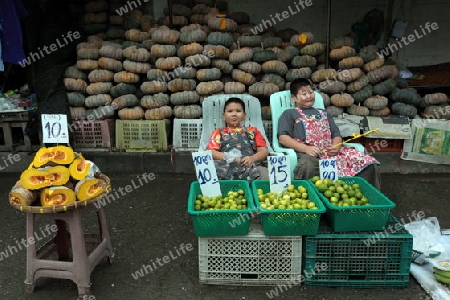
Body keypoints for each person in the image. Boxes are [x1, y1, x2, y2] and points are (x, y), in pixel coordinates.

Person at [277, 78, 381, 189]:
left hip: (332, 153)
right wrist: (305, 149)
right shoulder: (289, 114)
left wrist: (336, 146)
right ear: (294, 98)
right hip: (310, 155)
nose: (309, 96)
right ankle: (314, 199)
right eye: (304, 94)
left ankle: (368, 198)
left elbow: (336, 134)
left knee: (368, 163)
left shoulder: (323, 113)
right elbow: (283, 137)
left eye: (311, 92)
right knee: (308, 166)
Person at [206, 97, 269, 181]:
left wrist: (253, 158)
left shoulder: (253, 131)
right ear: (224, 116)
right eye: (230, 111)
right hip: (226, 165)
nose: (234, 114)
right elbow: (211, 152)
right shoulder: (218, 132)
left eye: (238, 111)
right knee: (208, 171)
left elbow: (263, 151)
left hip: (250, 166)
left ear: (244, 116)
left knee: (266, 174)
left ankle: (253, 192)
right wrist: (227, 156)